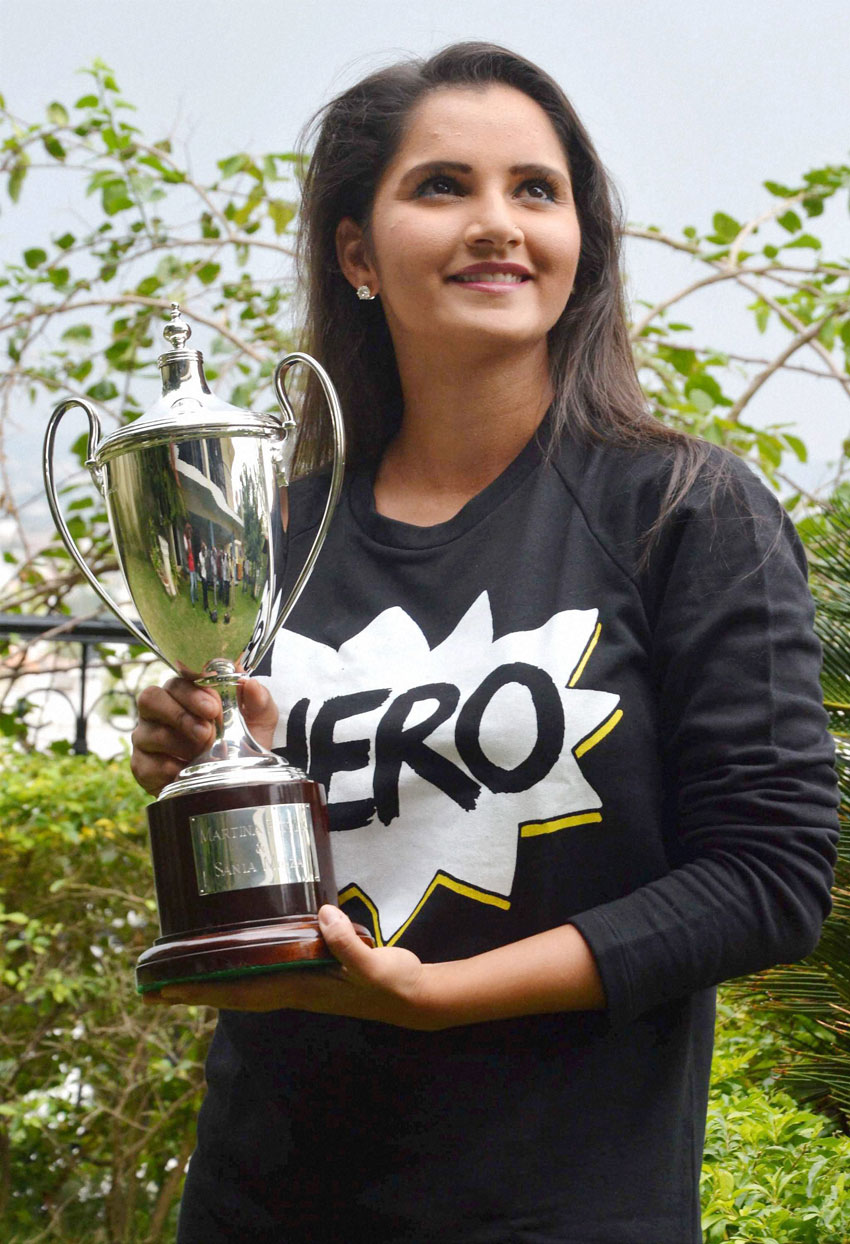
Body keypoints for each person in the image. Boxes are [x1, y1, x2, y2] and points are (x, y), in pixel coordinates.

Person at [131, 42, 839, 1244]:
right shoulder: (272, 532)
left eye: (537, 190)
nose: (498, 224)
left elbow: (770, 876)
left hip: (562, 1207)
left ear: (580, 242)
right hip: (262, 1195)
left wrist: (438, 998)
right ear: (357, 249)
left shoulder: (682, 511)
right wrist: (193, 751)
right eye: (442, 186)